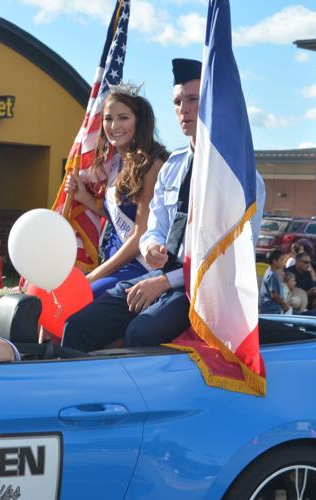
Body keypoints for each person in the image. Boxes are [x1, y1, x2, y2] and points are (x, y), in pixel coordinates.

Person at [62, 58, 266, 351]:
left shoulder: (240, 178)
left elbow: (230, 261)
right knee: (78, 325)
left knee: (141, 333)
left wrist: (165, 281)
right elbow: (154, 227)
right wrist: (151, 247)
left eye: (193, 99)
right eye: (177, 102)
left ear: (215, 103)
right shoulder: (174, 165)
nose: (184, 109)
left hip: (201, 291)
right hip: (157, 275)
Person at [64, 89, 168, 297]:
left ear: (139, 121)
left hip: (138, 265)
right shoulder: (115, 164)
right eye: (108, 119)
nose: (114, 126)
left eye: (123, 118)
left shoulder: (152, 164)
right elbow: (116, 215)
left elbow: (141, 234)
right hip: (113, 262)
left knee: (79, 300)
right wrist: (83, 197)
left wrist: (94, 276)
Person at [259, 249, 289, 314]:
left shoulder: (270, 272)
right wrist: (284, 304)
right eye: (281, 260)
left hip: (269, 306)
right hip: (270, 308)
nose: (283, 262)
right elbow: (274, 295)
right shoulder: (272, 275)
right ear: (274, 261)